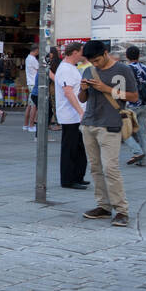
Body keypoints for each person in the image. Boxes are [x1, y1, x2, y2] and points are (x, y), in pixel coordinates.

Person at [78, 41, 137, 227]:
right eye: (91, 61)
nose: (95, 64)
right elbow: (82, 99)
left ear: (105, 53)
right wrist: (83, 90)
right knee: (95, 168)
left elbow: (134, 97)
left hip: (111, 124)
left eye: (97, 60)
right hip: (89, 123)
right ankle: (103, 206)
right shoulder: (88, 70)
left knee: (110, 168)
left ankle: (121, 210)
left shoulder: (123, 70)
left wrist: (107, 89)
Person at [55, 42, 88, 190]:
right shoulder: (65, 69)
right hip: (70, 115)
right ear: (74, 52)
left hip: (76, 115)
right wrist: (80, 112)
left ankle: (78, 176)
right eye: (81, 52)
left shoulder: (71, 68)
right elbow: (68, 92)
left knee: (79, 148)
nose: (83, 55)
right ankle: (68, 179)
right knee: (70, 148)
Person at [24, 47, 41, 133]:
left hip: (30, 82)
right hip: (33, 82)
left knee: (30, 105)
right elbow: (40, 70)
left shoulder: (28, 58)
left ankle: (26, 124)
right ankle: (31, 125)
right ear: (36, 51)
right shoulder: (33, 59)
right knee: (34, 105)